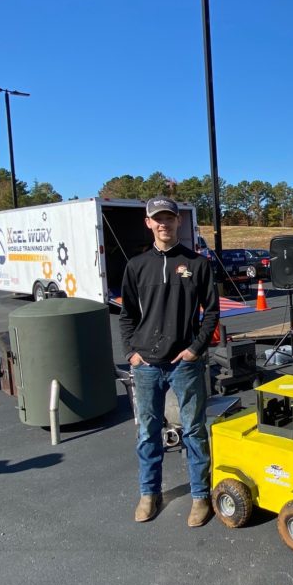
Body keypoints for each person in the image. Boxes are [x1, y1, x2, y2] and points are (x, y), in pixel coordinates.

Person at [119, 196, 220, 527]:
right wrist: (131, 353)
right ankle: (149, 493)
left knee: (193, 431)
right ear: (148, 223)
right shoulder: (136, 267)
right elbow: (127, 315)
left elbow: (212, 312)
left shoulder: (197, 264)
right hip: (146, 366)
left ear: (179, 222)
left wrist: (195, 349)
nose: (164, 223)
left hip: (185, 364)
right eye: (157, 218)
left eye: (169, 218)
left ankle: (200, 497)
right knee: (148, 433)